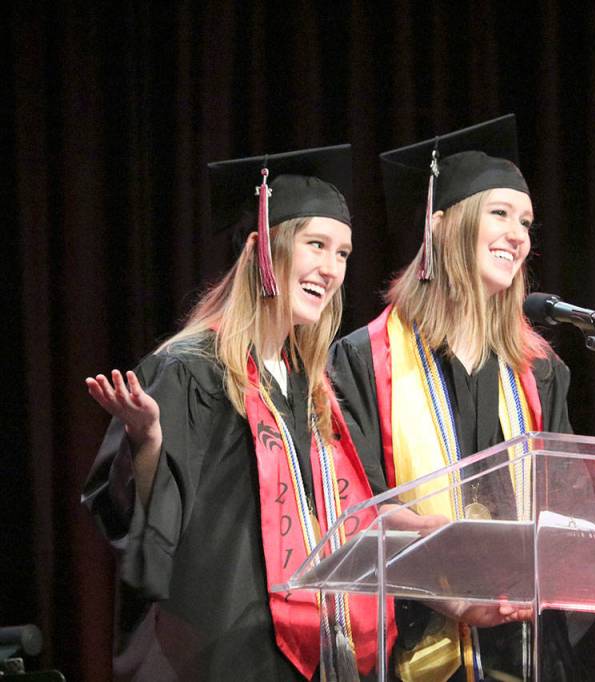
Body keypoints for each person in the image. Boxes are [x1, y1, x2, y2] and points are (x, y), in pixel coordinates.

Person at [82, 145, 394, 681]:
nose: (332, 268)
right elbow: (135, 525)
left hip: (310, 652)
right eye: (316, 245)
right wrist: (149, 443)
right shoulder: (189, 369)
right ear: (262, 250)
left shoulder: (315, 385)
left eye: (343, 253)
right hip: (215, 652)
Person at [330, 116, 582, 682]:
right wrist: (454, 597)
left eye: (526, 222)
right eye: (500, 213)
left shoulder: (539, 372)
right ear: (442, 225)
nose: (519, 235)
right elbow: (351, 513)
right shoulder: (364, 362)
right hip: (409, 645)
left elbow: (569, 507)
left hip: (527, 648)